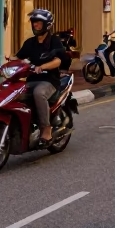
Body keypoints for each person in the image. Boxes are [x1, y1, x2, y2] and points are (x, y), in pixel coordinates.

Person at [14, 8, 71, 144]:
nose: (35, 25)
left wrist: (42, 67)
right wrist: (5, 65)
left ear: (48, 25)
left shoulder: (54, 41)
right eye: (34, 22)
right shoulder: (30, 42)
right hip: (31, 79)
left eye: (38, 23)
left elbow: (58, 60)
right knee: (14, 94)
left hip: (49, 80)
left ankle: (46, 127)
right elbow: (18, 58)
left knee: (39, 93)